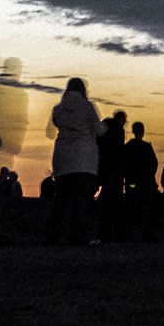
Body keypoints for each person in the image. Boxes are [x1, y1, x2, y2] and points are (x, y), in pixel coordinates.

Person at [48, 78, 100, 245]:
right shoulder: (87, 107)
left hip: (62, 157)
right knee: (79, 200)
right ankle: (76, 236)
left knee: (60, 199)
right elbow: (98, 129)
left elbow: (56, 123)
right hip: (83, 159)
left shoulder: (58, 109)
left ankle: (54, 235)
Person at [122, 121, 159, 242]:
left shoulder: (128, 147)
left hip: (132, 181)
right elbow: (154, 164)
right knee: (145, 208)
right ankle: (146, 233)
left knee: (131, 207)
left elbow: (125, 164)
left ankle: (130, 233)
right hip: (145, 182)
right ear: (142, 131)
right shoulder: (146, 147)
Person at [95, 110, 127, 243]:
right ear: (122, 120)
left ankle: (104, 232)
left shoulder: (104, 128)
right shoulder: (119, 130)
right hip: (115, 169)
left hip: (102, 168)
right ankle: (117, 233)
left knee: (105, 202)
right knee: (116, 202)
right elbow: (119, 150)